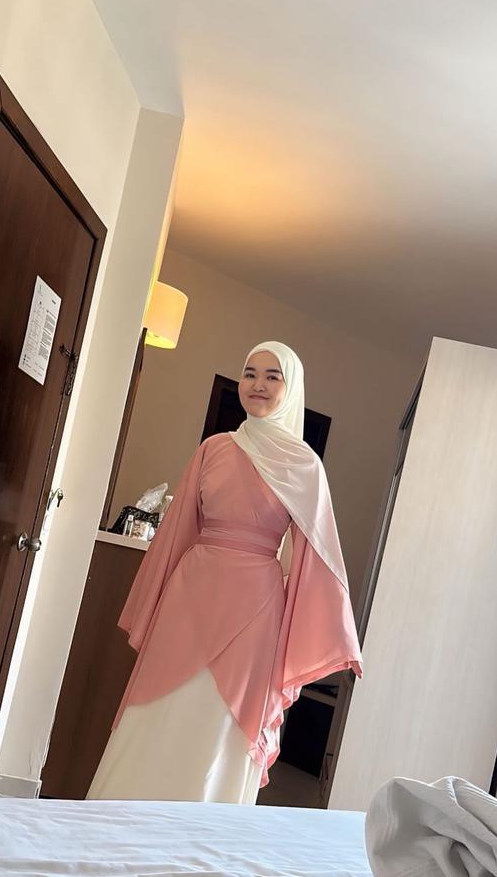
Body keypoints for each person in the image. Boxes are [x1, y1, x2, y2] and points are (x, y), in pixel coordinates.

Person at [87, 342, 362, 804]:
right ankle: (117, 817)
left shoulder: (304, 466)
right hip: (189, 595)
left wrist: (329, 633)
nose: (257, 385)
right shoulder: (213, 449)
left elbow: (317, 556)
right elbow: (177, 530)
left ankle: (200, 832)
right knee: (158, 705)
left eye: (272, 376)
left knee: (223, 720)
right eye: (250, 373)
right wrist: (152, 601)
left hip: (256, 608)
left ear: (291, 388)